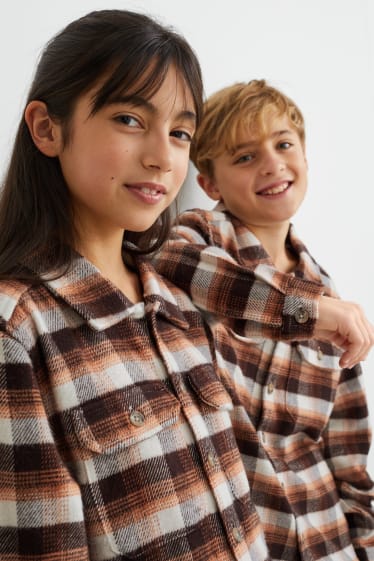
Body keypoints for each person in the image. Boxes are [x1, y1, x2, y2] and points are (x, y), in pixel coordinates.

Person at [0, 12, 371, 561]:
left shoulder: (175, 304)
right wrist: (311, 313)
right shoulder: (19, 327)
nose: (161, 155)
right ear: (48, 128)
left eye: (179, 133)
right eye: (129, 118)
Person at [153, 79, 374, 560]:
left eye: (283, 144)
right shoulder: (199, 239)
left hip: (325, 539)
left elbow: (348, 449)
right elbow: (178, 265)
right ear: (209, 183)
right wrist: (309, 313)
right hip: (237, 534)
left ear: (306, 158)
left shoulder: (329, 293)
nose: (272, 164)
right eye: (245, 156)